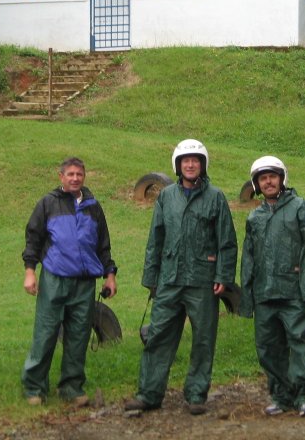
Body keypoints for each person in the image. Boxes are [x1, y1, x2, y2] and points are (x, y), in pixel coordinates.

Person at [125, 139, 238, 416]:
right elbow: (156, 239)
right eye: (185, 160)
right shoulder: (166, 197)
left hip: (203, 279)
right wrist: (151, 277)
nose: (190, 164)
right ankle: (149, 394)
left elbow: (227, 241)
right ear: (178, 165)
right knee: (159, 336)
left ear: (203, 165)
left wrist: (223, 274)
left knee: (203, 338)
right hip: (170, 279)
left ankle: (197, 394)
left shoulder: (216, 197)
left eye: (195, 160)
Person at [21, 156, 117, 407]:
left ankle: (72, 388)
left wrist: (110, 275)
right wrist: (30, 271)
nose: (75, 178)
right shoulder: (47, 204)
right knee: (45, 334)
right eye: (70, 174)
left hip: (84, 283)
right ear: (60, 176)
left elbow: (103, 244)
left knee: (78, 336)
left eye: (79, 174)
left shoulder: (93, 207)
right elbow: (33, 239)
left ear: (84, 177)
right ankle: (34, 388)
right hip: (55, 278)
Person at [239, 155, 305, 417]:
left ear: (282, 178)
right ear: (256, 184)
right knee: (267, 347)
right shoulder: (255, 217)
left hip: (294, 292)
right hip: (264, 293)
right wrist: (247, 296)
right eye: (262, 179)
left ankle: (304, 396)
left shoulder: (300, 207)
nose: (268, 182)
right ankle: (281, 395)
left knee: (298, 342)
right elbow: (248, 258)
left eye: (272, 177)